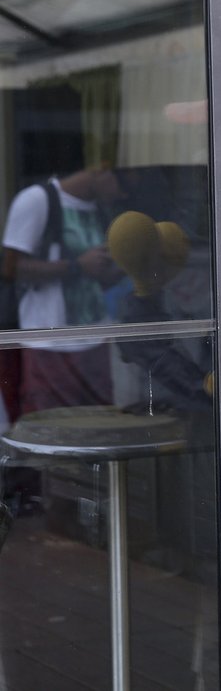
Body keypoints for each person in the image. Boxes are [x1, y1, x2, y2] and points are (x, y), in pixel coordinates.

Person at [1, 163, 125, 514]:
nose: (124, 194)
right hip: (49, 342)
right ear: (102, 172)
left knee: (96, 433)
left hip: (95, 338)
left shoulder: (102, 208)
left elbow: (98, 277)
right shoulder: (38, 200)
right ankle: (38, 509)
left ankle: (87, 513)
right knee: (48, 435)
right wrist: (76, 267)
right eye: (122, 182)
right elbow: (10, 268)